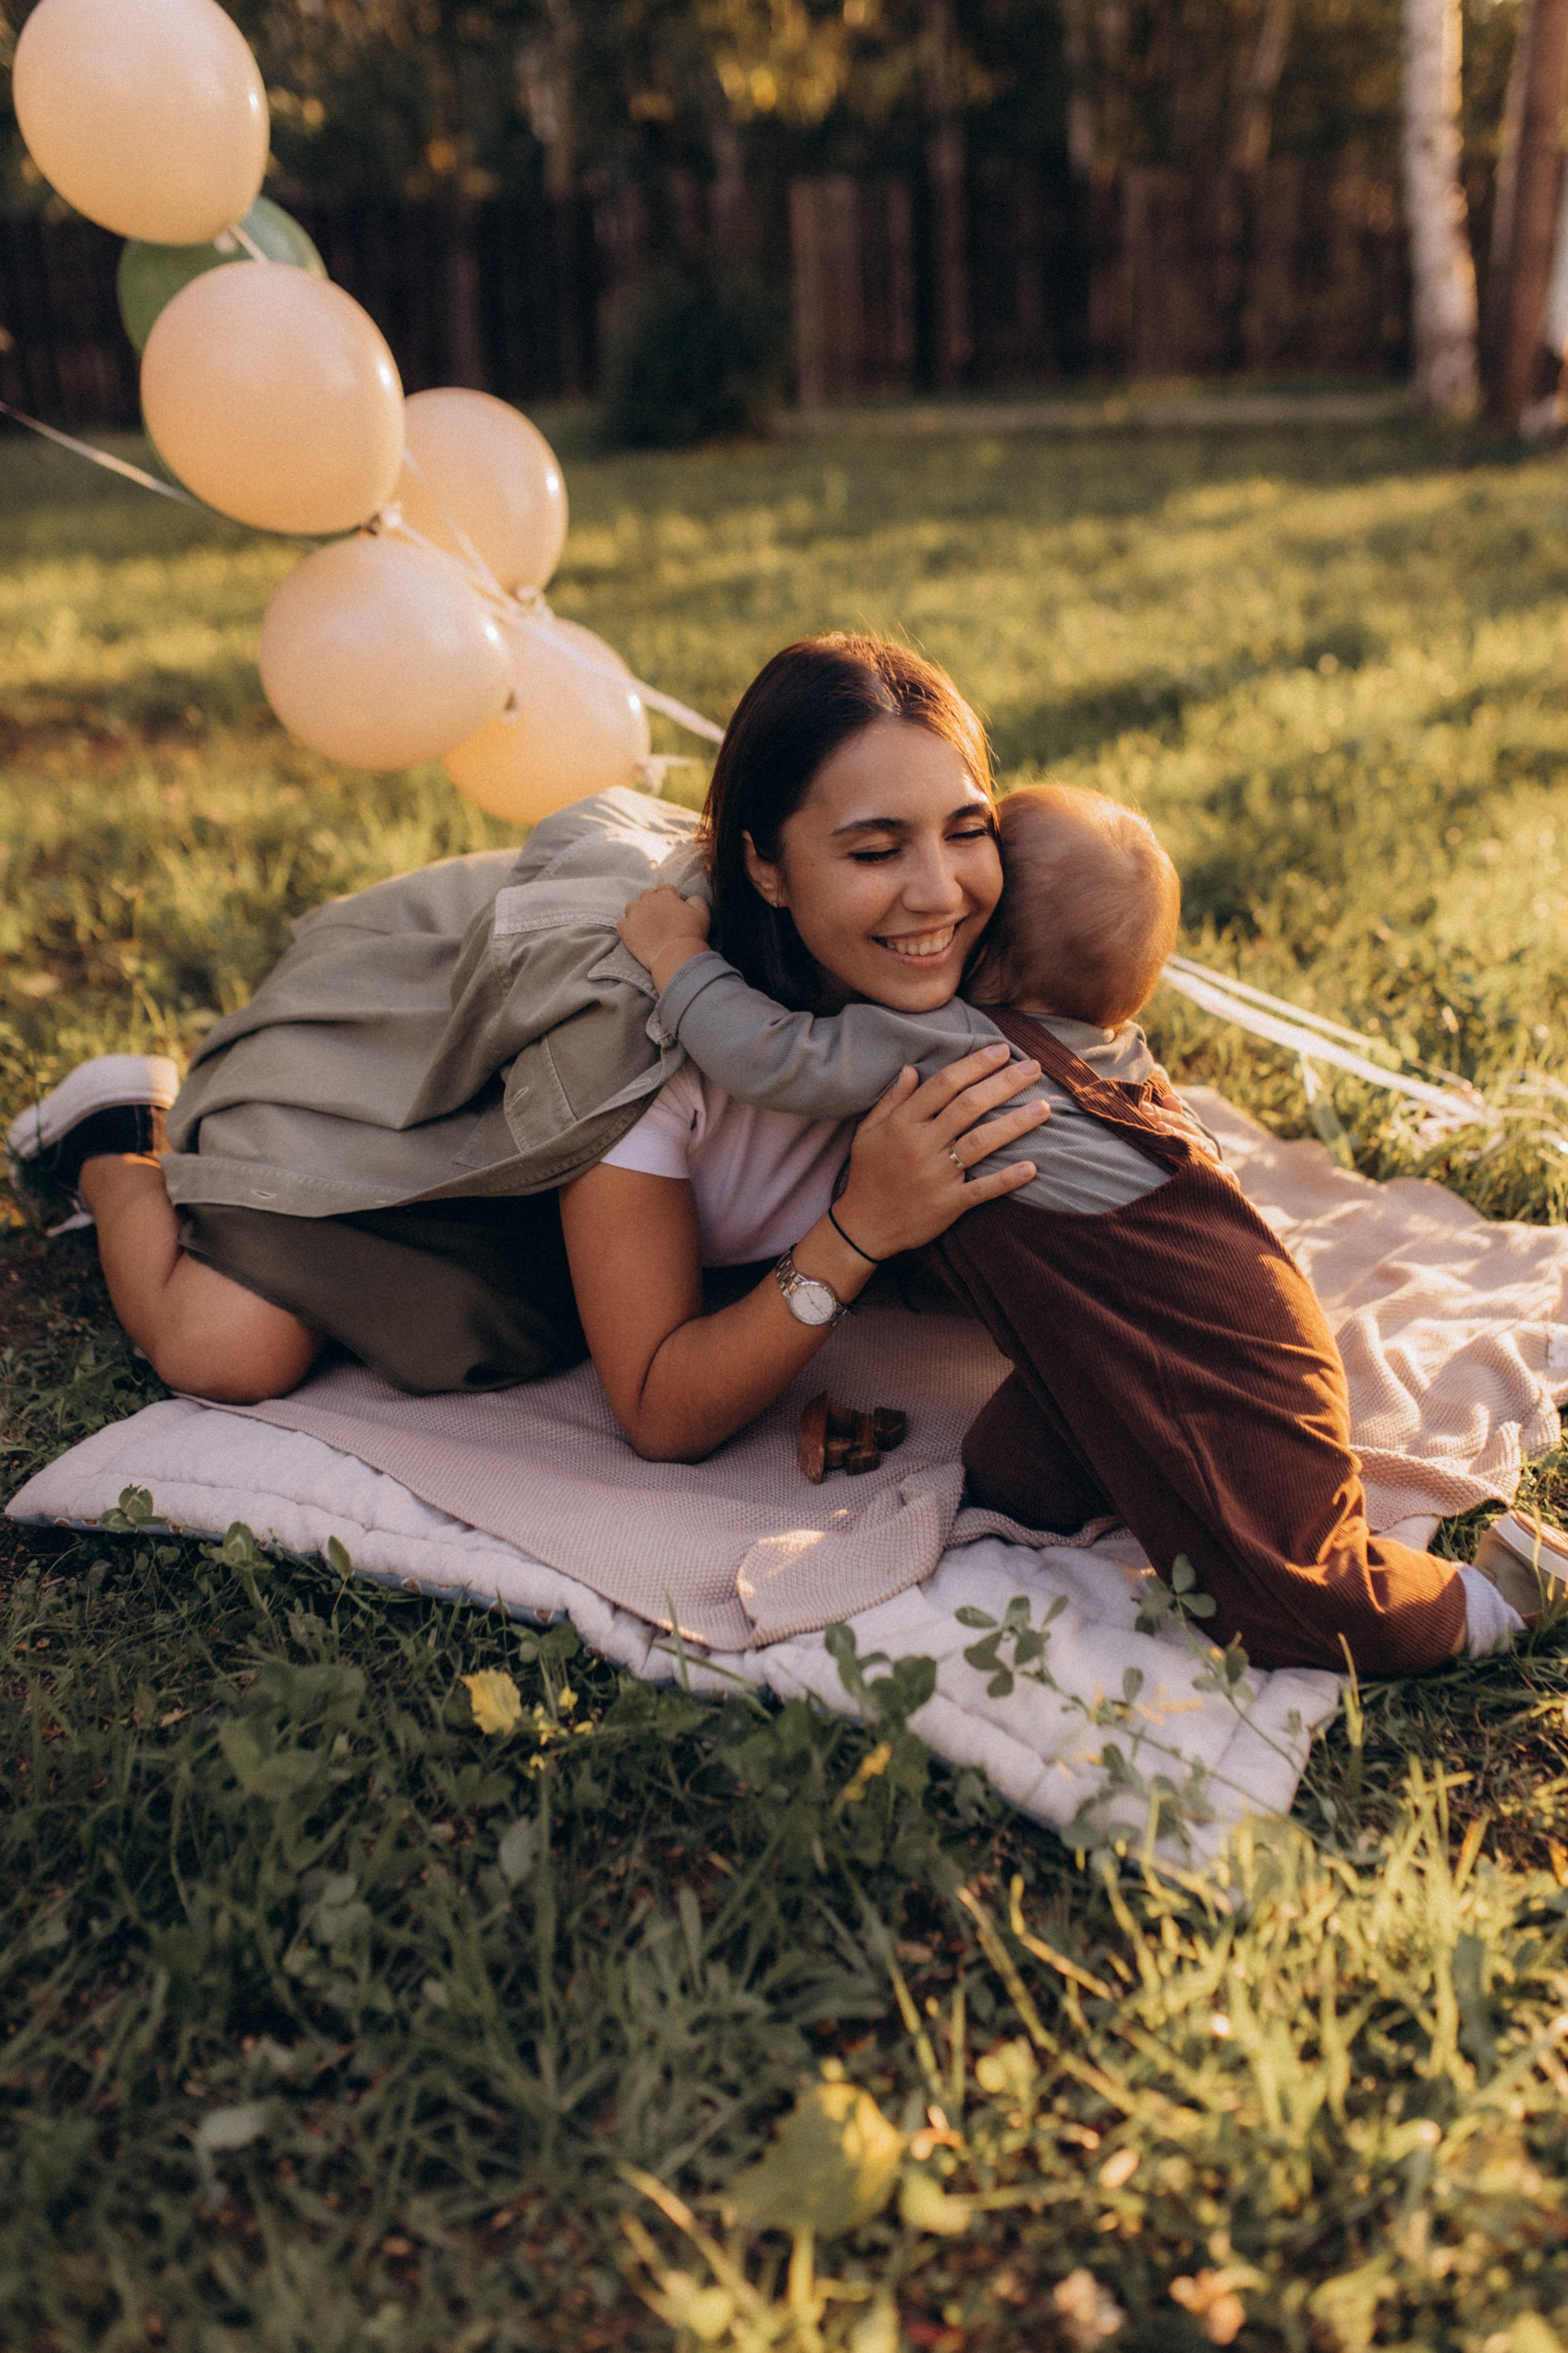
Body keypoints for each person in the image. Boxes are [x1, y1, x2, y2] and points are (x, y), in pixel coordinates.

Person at [6, 634, 1049, 1451]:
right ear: (765, 869)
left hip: (607, 1203)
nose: (939, 892)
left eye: (965, 828)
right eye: (876, 848)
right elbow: (653, 1407)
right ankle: (119, 1136)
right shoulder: (629, 1038)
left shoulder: (983, 952)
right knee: (222, 1347)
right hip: (424, 1128)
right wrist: (861, 1230)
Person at [614, 780, 1514, 1677]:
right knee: (1008, 1469)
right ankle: (1099, 1469)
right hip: (1161, 1324)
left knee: (1277, 1578)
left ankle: (1485, 1602)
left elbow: (772, 1057)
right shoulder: (1110, 1047)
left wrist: (676, 958)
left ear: (996, 970)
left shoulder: (957, 1039)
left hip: (1202, 1349)